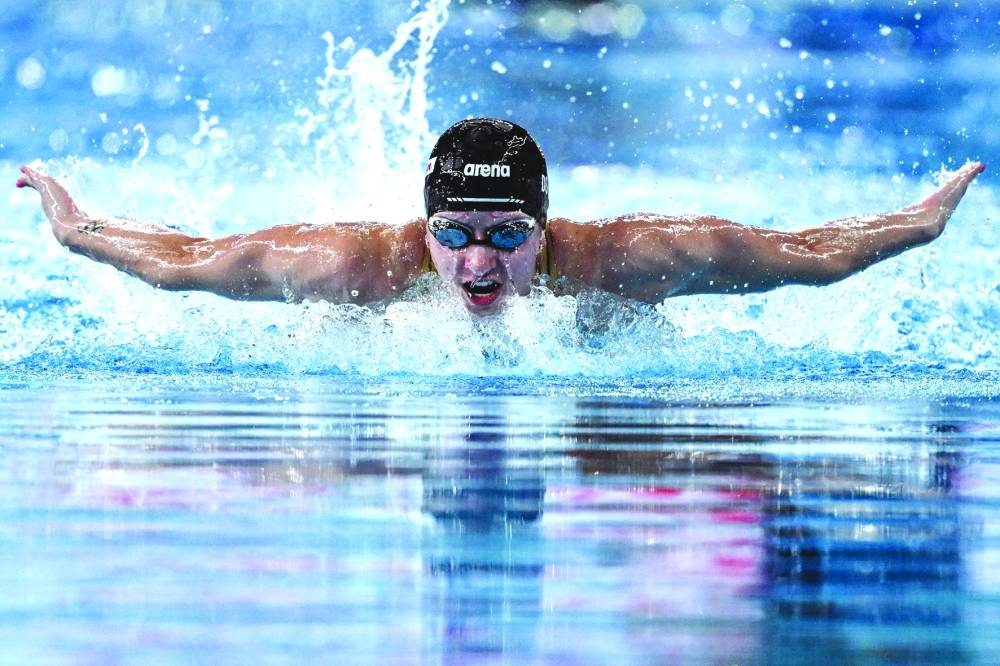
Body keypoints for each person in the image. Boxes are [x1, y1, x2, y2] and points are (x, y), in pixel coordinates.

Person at [16, 117, 985, 317]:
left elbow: (803, 256)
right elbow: (190, 259)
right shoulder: (348, 266)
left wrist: (915, 224)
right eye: (457, 233)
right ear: (423, 225)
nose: (479, 262)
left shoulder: (627, 259)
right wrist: (81, 231)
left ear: (546, 227)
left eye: (508, 235)